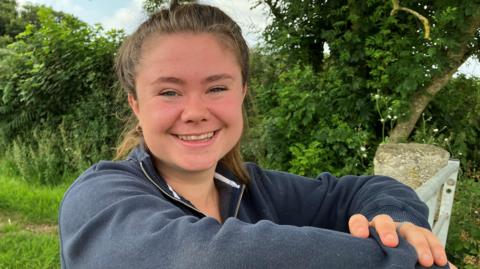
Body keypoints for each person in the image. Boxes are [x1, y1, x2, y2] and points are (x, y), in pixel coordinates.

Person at [59, 2, 455, 269]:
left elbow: (364, 190)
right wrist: (403, 259)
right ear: (136, 105)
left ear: (242, 94)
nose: (196, 112)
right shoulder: (97, 198)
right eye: (168, 92)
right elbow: (203, 257)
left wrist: (400, 224)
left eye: (217, 88)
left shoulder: (254, 187)